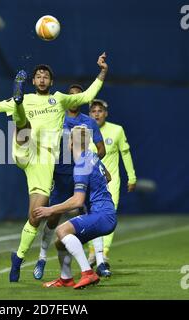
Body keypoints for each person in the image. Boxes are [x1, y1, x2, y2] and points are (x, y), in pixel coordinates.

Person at [0, 52, 108, 282]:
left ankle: (19, 257)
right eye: (38, 76)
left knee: (35, 216)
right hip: (25, 149)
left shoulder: (60, 99)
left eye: (45, 77)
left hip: (44, 161)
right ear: (33, 82)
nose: (42, 79)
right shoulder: (30, 98)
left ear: (51, 82)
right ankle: (18, 101)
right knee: (22, 122)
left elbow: (88, 95)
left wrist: (102, 70)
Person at [33, 84, 109, 280]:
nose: (74, 98)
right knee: (52, 219)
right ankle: (41, 257)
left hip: (81, 176)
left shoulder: (89, 122)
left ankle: (100, 262)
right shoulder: (58, 117)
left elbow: (101, 149)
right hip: (60, 176)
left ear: (82, 99)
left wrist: (90, 163)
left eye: (78, 96)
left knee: (90, 214)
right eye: (71, 95)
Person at [34, 125, 117, 289]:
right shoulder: (92, 156)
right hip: (105, 212)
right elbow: (108, 176)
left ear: (71, 144)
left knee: (61, 230)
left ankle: (88, 273)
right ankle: (66, 279)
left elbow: (77, 201)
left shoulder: (80, 166)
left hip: (102, 215)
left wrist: (50, 209)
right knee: (60, 242)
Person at [88, 99, 136, 267]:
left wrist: (132, 177)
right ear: (89, 114)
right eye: (93, 111)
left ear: (106, 113)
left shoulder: (117, 130)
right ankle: (93, 252)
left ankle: (104, 253)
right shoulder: (83, 131)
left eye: (100, 110)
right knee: (91, 216)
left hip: (111, 182)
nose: (96, 114)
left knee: (108, 216)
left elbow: (126, 154)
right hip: (90, 182)